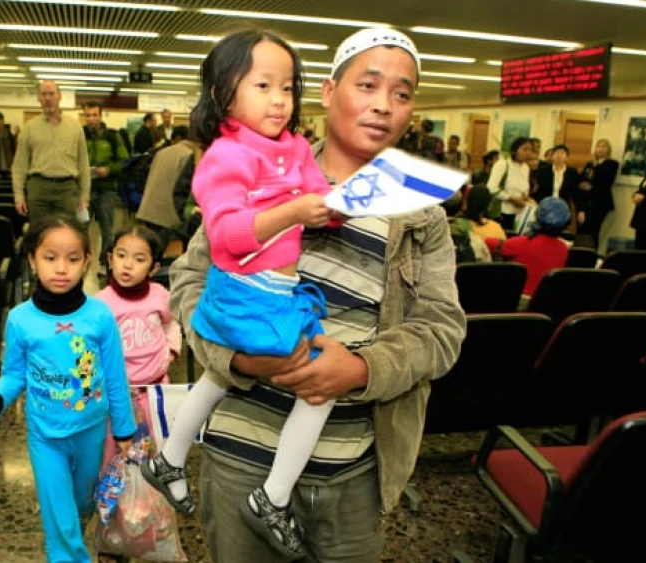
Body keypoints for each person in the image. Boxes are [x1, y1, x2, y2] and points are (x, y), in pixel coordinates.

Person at [168, 27, 465, 562]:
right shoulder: (259, 170)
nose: (383, 106)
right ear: (329, 92)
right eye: (368, 86)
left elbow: (442, 331)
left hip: (350, 471)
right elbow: (189, 281)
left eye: (402, 94)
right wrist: (234, 356)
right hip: (240, 458)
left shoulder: (422, 213)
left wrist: (362, 369)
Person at [139, 29, 337, 559]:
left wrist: (337, 203)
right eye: (264, 85)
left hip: (277, 291)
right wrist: (296, 211)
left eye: (289, 88)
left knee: (216, 377)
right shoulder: (225, 156)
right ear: (224, 93)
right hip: (246, 292)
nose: (280, 100)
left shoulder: (295, 147)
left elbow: (321, 197)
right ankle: (272, 496)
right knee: (320, 385)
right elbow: (226, 236)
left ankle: (170, 457)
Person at [0, 216, 136, 563]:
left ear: (87, 260)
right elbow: (13, 375)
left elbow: (115, 377)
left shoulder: (100, 316)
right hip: (45, 437)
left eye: (73, 259)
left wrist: (124, 429)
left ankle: (74, 536)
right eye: (50, 257)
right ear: (32, 260)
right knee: (61, 525)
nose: (62, 269)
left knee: (83, 504)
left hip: (91, 432)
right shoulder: (20, 319)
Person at [95, 224, 182, 465]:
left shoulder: (159, 295)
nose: (128, 264)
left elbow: (172, 324)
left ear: (153, 267)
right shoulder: (100, 304)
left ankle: (150, 499)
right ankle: (117, 497)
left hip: (154, 390)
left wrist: (171, 351)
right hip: (118, 394)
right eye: (121, 256)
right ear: (111, 259)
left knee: (154, 445)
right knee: (115, 451)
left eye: (139, 259)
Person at [11, 80, 91, 225]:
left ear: (59, 96)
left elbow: (83, 164)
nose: (48, 98)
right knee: (39, 232)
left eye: (51, 94)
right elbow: (19, 165)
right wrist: (19, 197)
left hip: (67, 190)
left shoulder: (75, 127)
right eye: (44, 94)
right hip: (38, 188)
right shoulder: (29, 128)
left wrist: (84, 196)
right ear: (38, 98)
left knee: (67, 232)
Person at [499, 196, 572, 298]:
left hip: (515, 301)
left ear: (537, 216)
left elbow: (491, 244)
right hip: (543, 304)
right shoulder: (563, 249)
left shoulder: (522, 243)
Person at [83, 101, 130, 258]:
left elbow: (124, 162)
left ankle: (106, 264)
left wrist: (109, 169)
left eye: (94, 115)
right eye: (88, 115)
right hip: (84, 191)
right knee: (80, 228)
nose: (91, 119)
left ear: (100, 116)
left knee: (107, 230)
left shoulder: (112, 136)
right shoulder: (80, 135)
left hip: (107, 189)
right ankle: (81, 260)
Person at [136, 125, 196, 247]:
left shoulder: (162, 152)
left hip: (149, 209)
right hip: (168, 214)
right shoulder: (190, 156)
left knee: (151, 250)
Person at [575, 138, 619, 249]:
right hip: (585, 202)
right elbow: (583, 182)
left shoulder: (612, 164)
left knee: (592, 232)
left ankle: (591, 255)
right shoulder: (590, 164)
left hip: (599, 203)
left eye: (604, 146)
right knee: (581, 230)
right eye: (599, 146)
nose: (601, 149)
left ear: (608, 150)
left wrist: (591, 186)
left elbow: (606, 181)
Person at [487, 137, 534, 229]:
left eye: (530, 150)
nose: (528, 153)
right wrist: (512, 199)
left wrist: (526, 197)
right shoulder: (503, 164)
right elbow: (491, 188)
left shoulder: (526, 167)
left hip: (520, 213)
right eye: (524, 149)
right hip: (502, 212)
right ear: (515, 150)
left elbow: (523, 188)